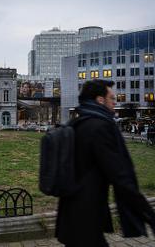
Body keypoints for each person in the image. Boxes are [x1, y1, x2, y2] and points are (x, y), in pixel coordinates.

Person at [56, 79, 155, 247]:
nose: (115, 102)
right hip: (86, 217)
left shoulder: (77, 123)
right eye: (112, 98)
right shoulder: (100, 127)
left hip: (72, 214)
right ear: (100, 100)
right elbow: (120, 176)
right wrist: (149, 216)